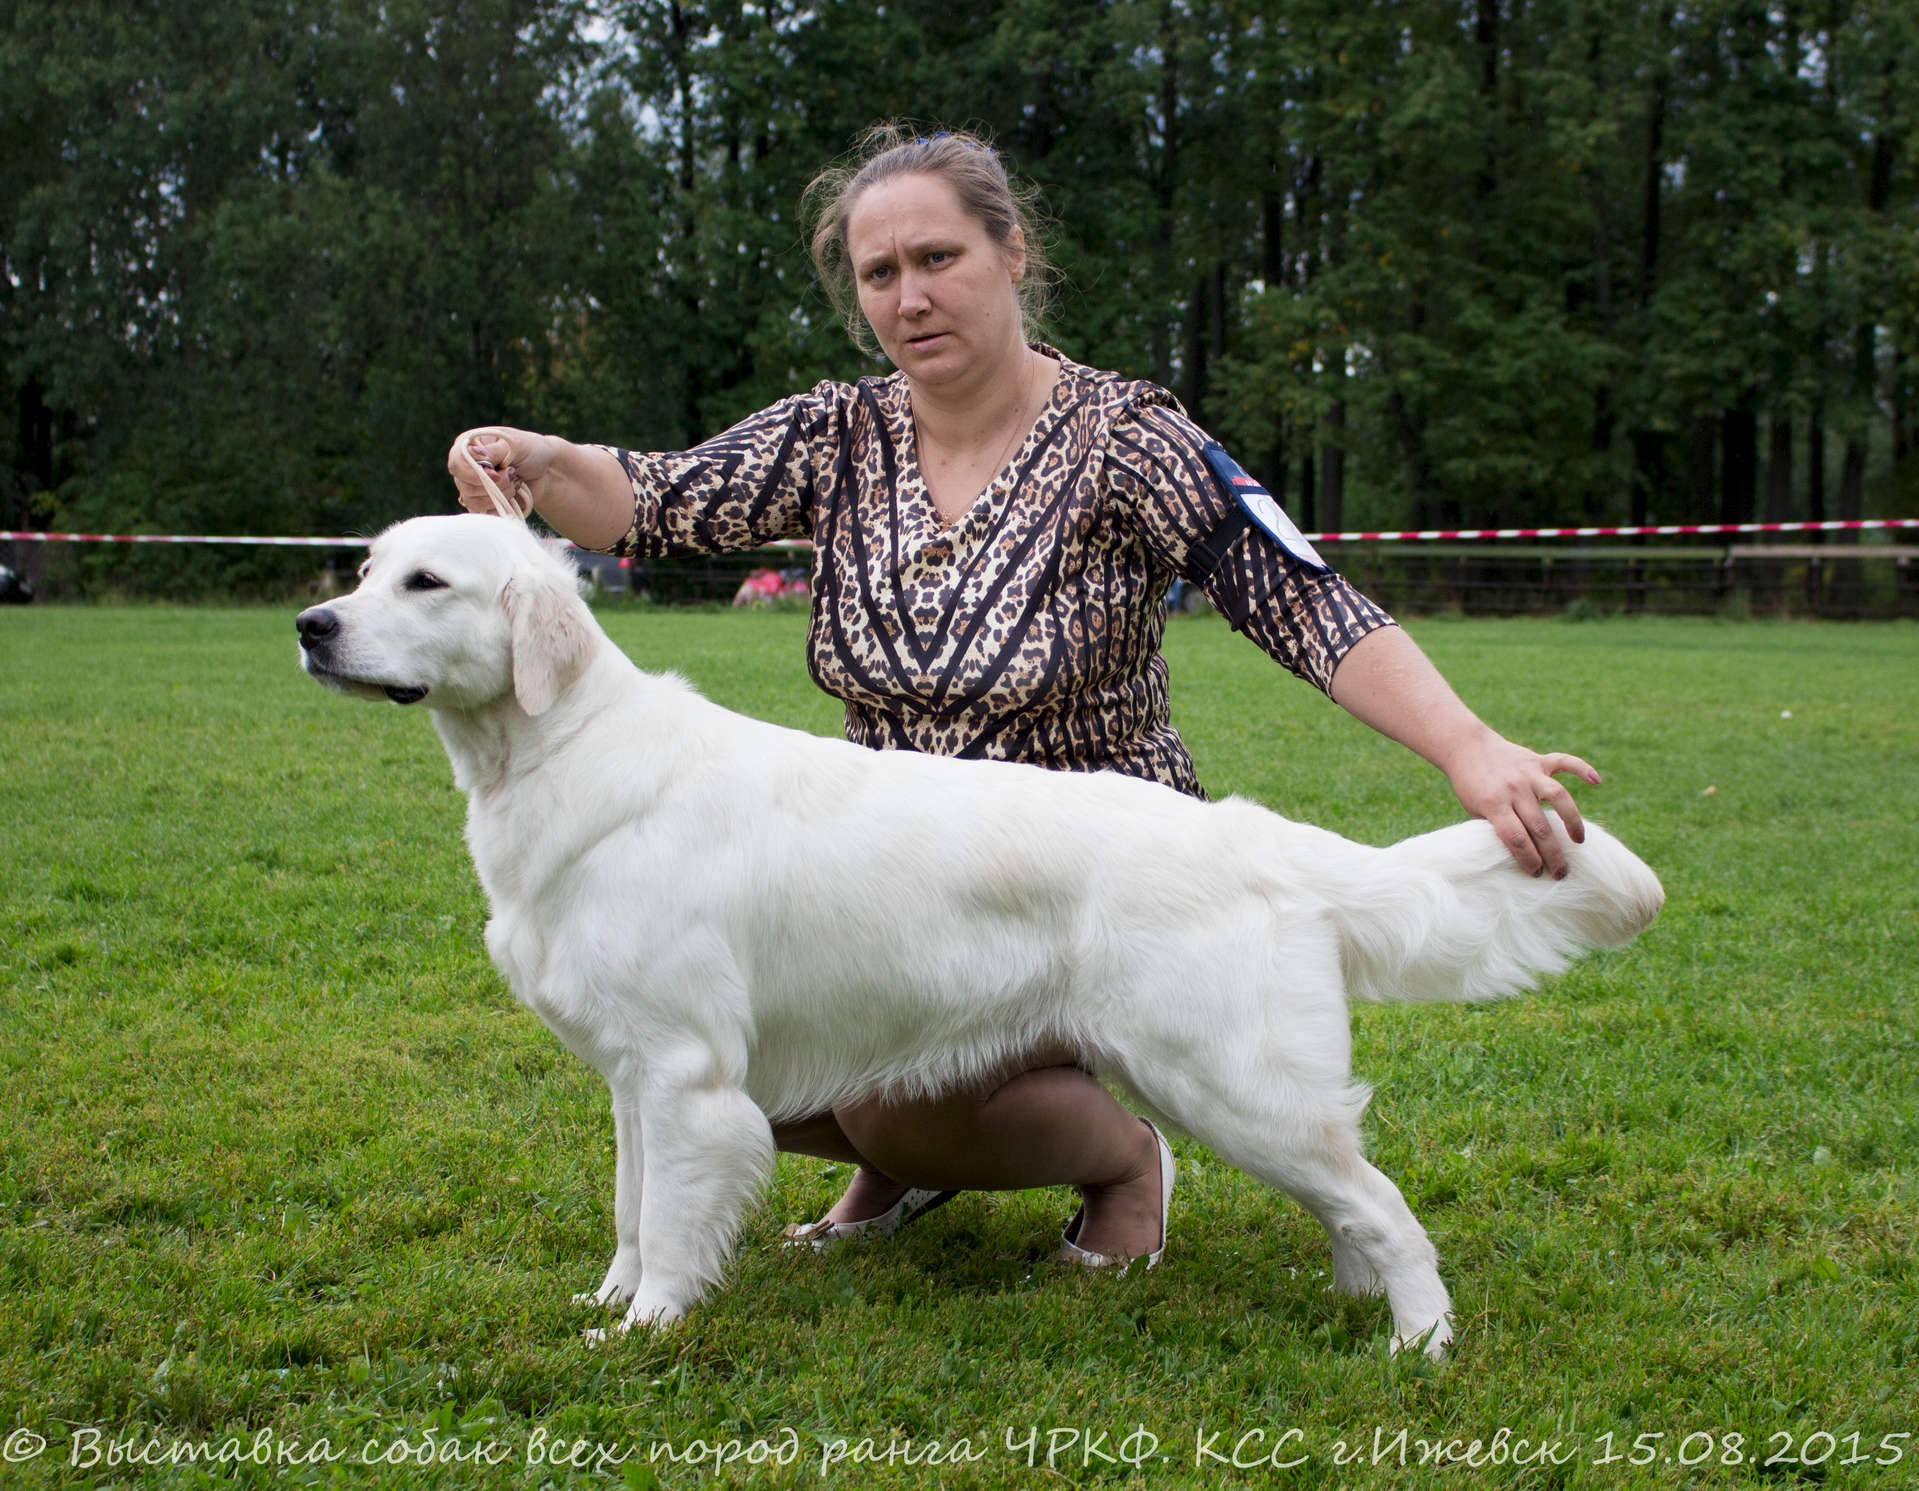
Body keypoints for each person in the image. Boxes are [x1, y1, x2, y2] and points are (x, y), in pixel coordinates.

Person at [447, 125, 1600, 1270]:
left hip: (1090, 889)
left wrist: (1467, 747)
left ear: (1012, 253)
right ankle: (904, 1152)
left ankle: (1117, 1163)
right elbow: (652, 502)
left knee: (888, 1096)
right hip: (881, 877)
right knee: (713, 1021)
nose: (910, 297)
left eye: (937, 258)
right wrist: (542, 462)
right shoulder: (837, 435)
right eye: (879, 273)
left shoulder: (1127, 439)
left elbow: (1296, 598)